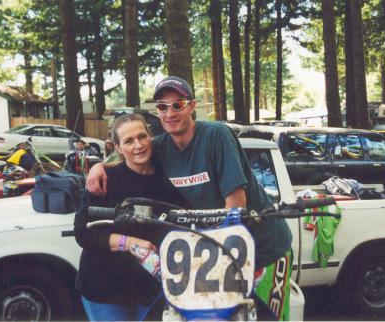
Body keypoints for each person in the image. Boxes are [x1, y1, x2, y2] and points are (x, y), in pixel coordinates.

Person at [87, 76, 293, 320]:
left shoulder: (216, 136)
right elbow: (128, 154)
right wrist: (99, 166)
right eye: (163, 107)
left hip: (262, 248)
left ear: (192, 106)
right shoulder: (161, 147)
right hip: (216, 254)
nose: (170, 113)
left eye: (178, 105)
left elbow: (236, 204)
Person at [74, 113, 188, 321]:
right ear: (118, 148)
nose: (138, 145)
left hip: (152, 290)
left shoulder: (167, 180)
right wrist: (129, 243)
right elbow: (83, 232)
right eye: (128, 141)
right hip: (104, 290)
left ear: (150, 137)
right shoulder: (106, 180)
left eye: (142, 137)